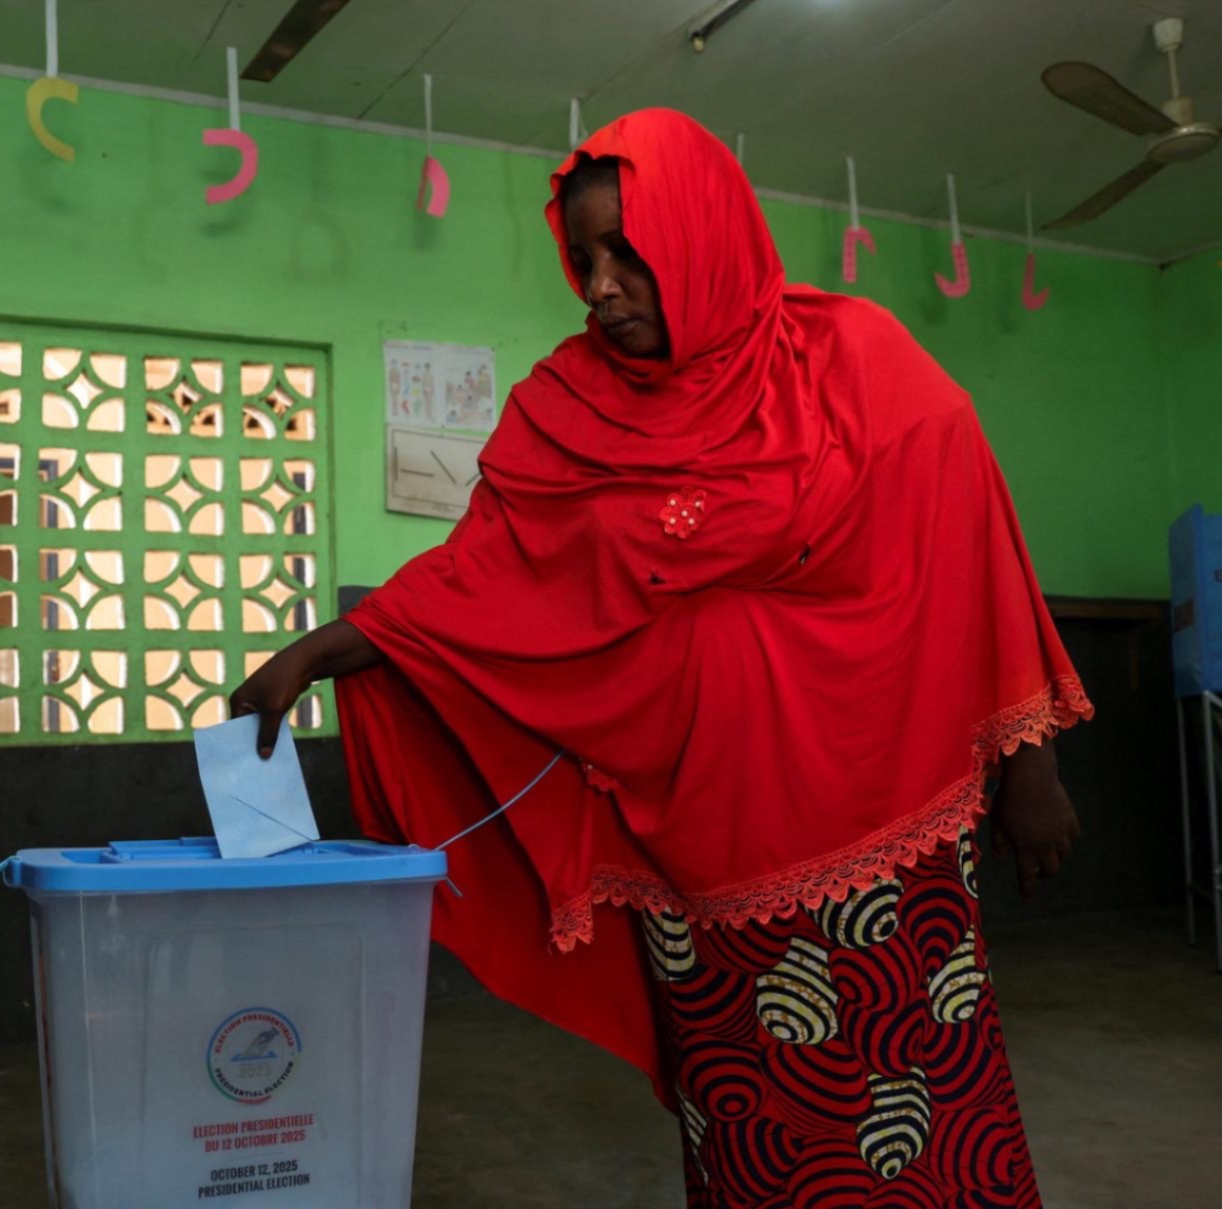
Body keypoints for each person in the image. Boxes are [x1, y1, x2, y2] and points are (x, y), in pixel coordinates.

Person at [231, 109, 1087, 1208]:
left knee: (917, 1117)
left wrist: (1031, 764)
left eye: (627, 253)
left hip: (883, 826)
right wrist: (317, 654)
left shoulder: (860, 365)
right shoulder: (564, 406)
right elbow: (484, 573)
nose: (598, 287)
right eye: (581, 258)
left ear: (707, 235)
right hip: (691, 846)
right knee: (746, 1135)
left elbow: (973, 549)